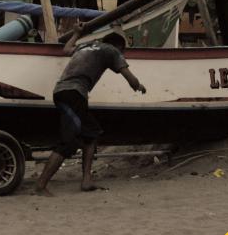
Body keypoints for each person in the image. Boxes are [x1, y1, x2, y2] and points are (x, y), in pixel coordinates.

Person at [34, 33, 146, 196]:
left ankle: (86, 181)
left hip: (65, 92)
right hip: (73, 94)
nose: (122, 55)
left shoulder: (86, 45)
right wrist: (139, 86)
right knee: (68, 143)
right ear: (119, 47)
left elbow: (66, 49)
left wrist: (77, 33)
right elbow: (129, 77)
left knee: (92, 133)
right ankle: (40, 185)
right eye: (123, 52)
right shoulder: (111, 50)